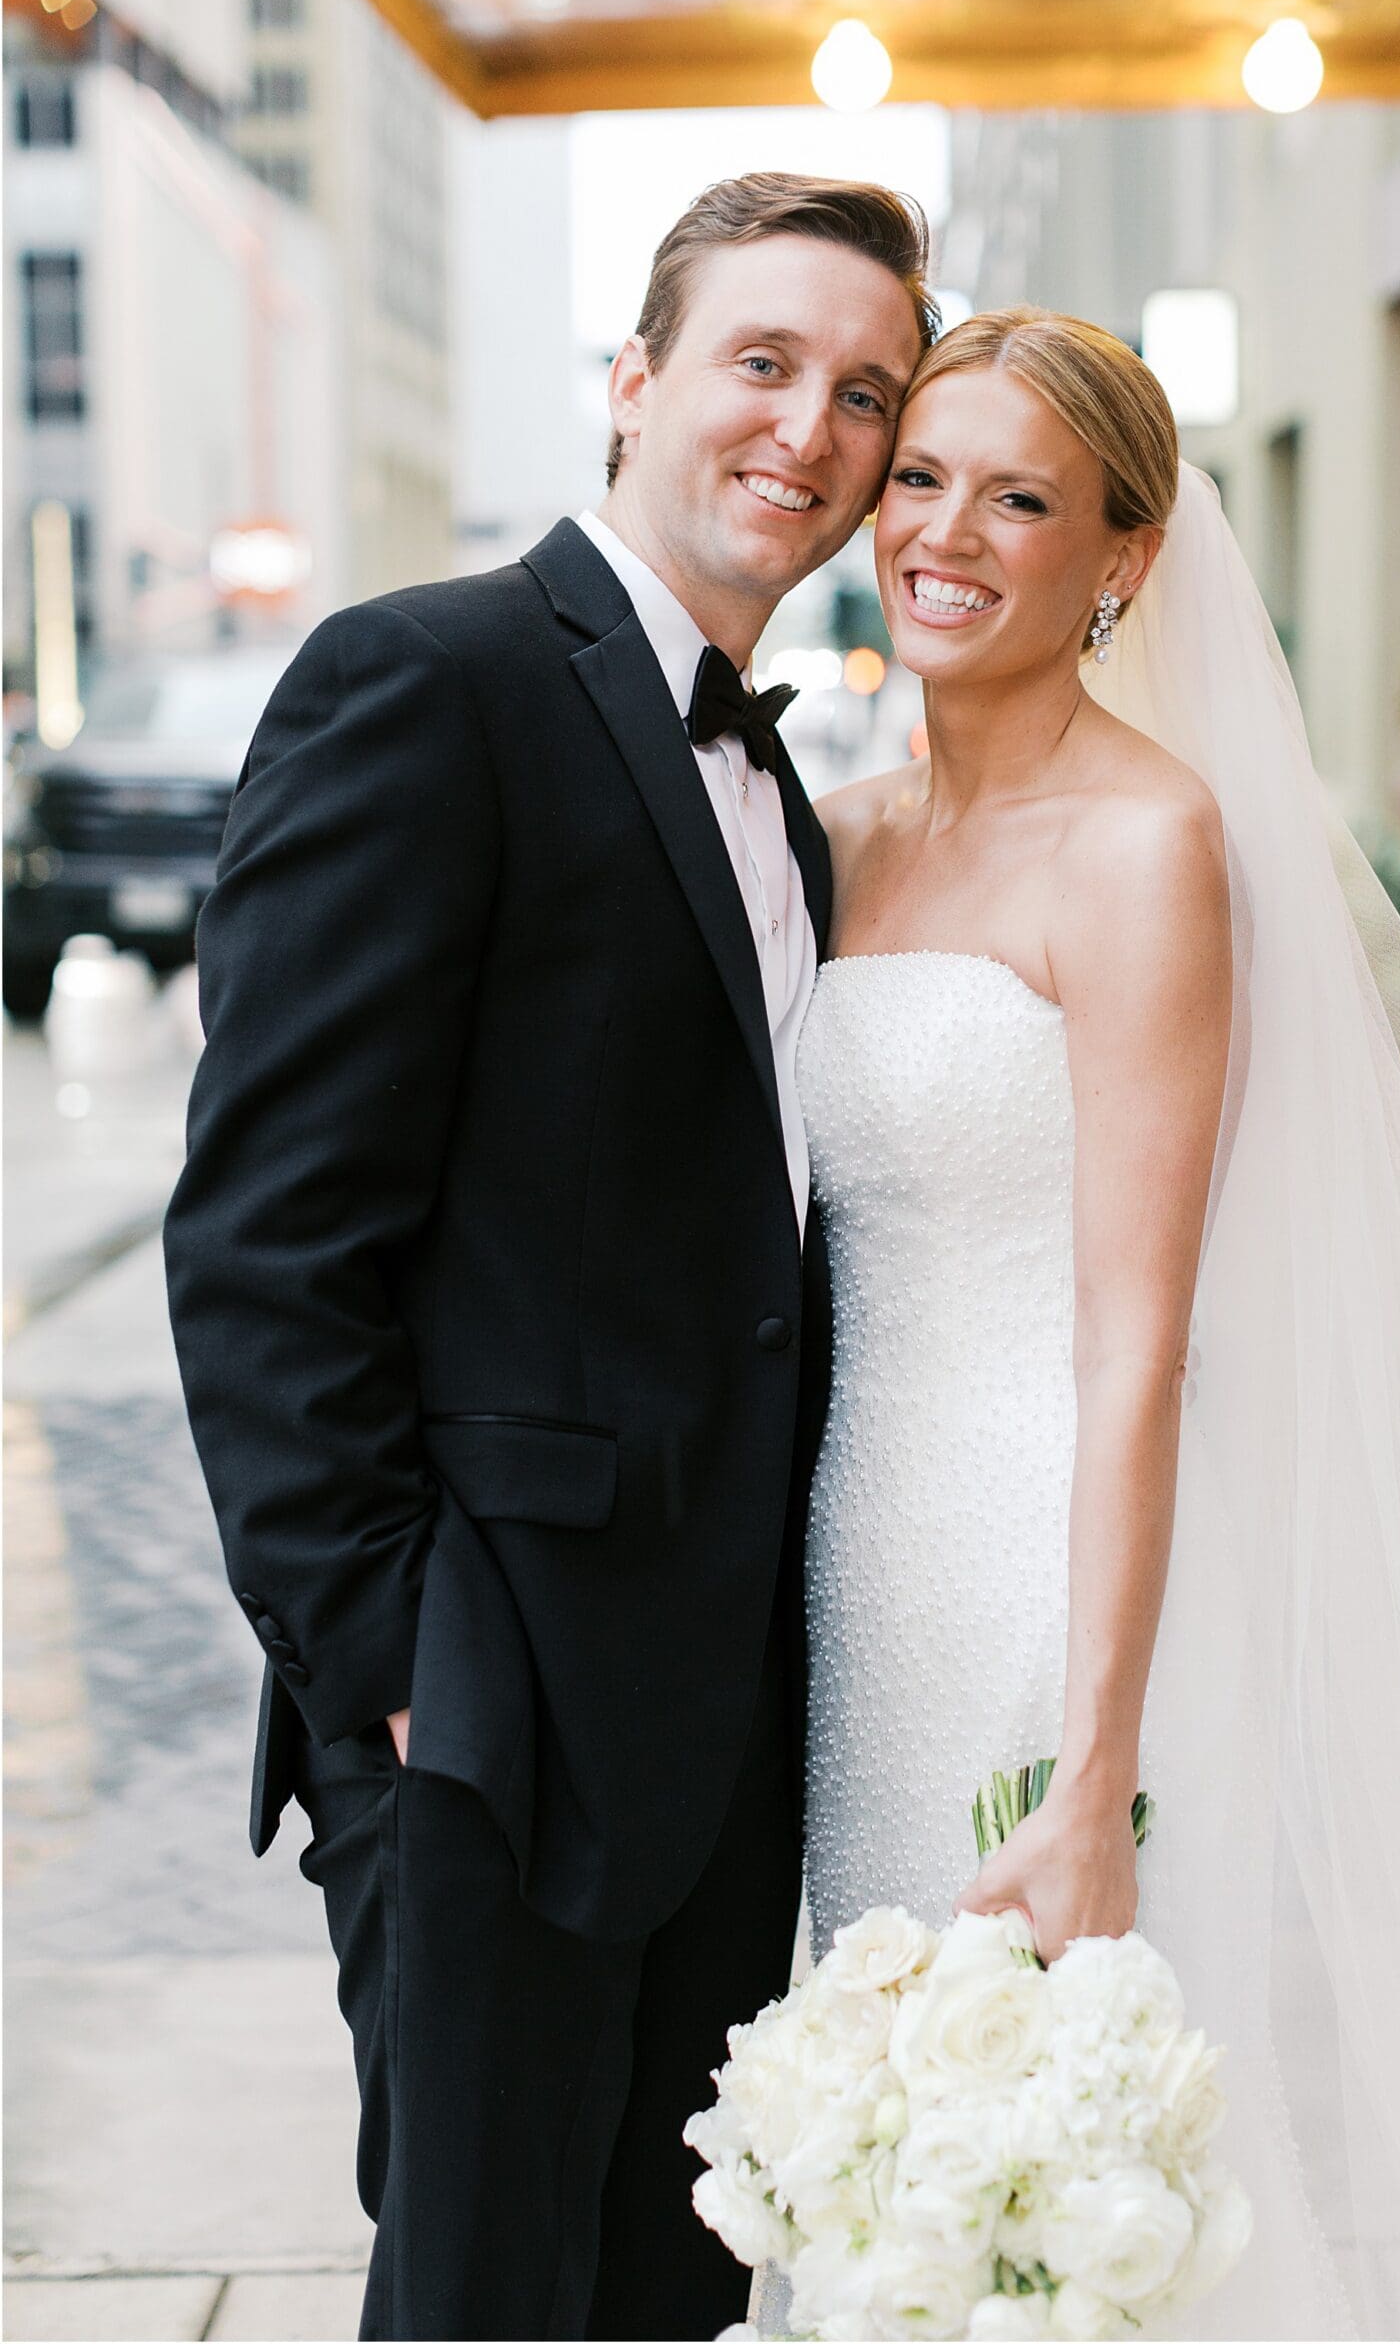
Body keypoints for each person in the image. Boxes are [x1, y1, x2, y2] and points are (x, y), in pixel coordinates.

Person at [791, 309, 1400, 2339]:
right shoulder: (828, 833)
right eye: (920, 476)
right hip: (848, 1560)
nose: (946, 531)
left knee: (1035, 2153)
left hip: (1051, 1586)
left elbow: (1139, 1338)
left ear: (1118, 551)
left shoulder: (1146, 847)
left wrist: (1095, 1772)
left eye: (1017, 496)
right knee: (866, 2139)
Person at [162, 171, 934, 2343]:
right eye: (760, 362)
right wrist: (389, 1666)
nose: (808, 425)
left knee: (654, 2284)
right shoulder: (427, 678)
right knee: (486, 2294)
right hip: (483, 1700)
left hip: (718, 1701)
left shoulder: (776, 792)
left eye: (859, 389)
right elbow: (264, 1226)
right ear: (637, 384)